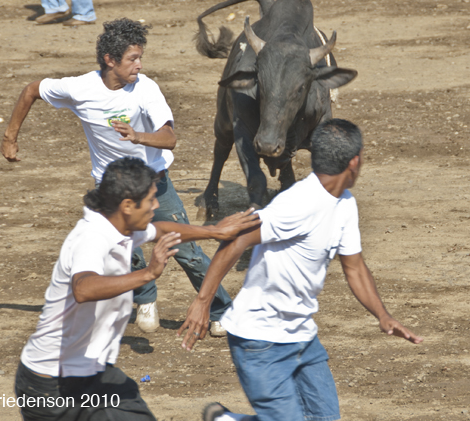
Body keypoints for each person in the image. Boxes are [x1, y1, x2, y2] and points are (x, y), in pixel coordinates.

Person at [1, 18, 235, 335]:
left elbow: (169, 138)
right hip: (112, 189)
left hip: (155, 184)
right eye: (132, 59)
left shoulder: (145, 89)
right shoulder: (80, 88)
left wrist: (138, 136)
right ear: (110, 60)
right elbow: (32, 90)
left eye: (140, 58)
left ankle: (222, 309)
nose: (139, 65)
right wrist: (10, 136)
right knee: (123, 250)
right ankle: (146, 298)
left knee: (187, 249)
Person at [178, 119, 422, 421]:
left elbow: (355, 267)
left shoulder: (344, 203)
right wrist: (203, 303)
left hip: (301, 336)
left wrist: (383, 315)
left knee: (324, 418)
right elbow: (238, 238)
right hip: (260, 339)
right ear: (354, 162)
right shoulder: (298, 203)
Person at [14, 156, 260, 421]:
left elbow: (162, 229)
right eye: (151, 200)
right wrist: (148, 273)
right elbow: (83, 288)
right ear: (128, 205)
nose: (156, 206)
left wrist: (214, 232)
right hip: (52, 387)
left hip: (93, 373)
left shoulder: (121, 227)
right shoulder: (92, 236)